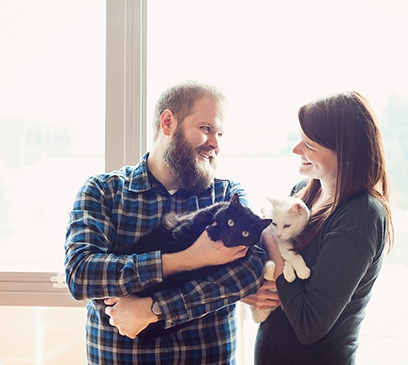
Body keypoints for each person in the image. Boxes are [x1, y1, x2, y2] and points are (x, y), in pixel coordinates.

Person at [65, 81, 266, 365]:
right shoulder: (103, 191)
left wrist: (155, 309)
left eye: (220, 133)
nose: (216, 144)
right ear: (168, 122)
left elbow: (250, 270)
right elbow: (81, 274)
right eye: (206, 129)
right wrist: (183, 260)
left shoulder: (227, 195)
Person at [243, 91, 394, 365]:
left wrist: (269, 242)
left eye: (309, 145)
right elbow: (281, 286)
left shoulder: (361, 215)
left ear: (345, 151)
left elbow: (308, 325)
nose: (296, 150)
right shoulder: (303, 194)